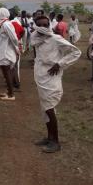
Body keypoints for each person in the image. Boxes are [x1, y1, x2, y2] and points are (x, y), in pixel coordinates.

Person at [31, 15, 81, 153]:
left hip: (51, 80)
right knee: (44, 108)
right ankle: (49, 137)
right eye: (39, 24)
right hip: (41, 77)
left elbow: (76, 52)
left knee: (49, 108)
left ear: (48, 25)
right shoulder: (37, 38)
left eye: (45, 24)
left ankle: (56, 142)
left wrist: (59, 64)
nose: (43, 27)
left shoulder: (55, 39)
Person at [0, 8, 19, 101]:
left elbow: (14, 38)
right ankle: (9, 91)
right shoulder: (2, 24)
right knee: (5, 72)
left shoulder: (6, 24)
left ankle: (11, 94)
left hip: (7, 51)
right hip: (3, 49)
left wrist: (17, 48)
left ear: (3, 14)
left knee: (7, 72)